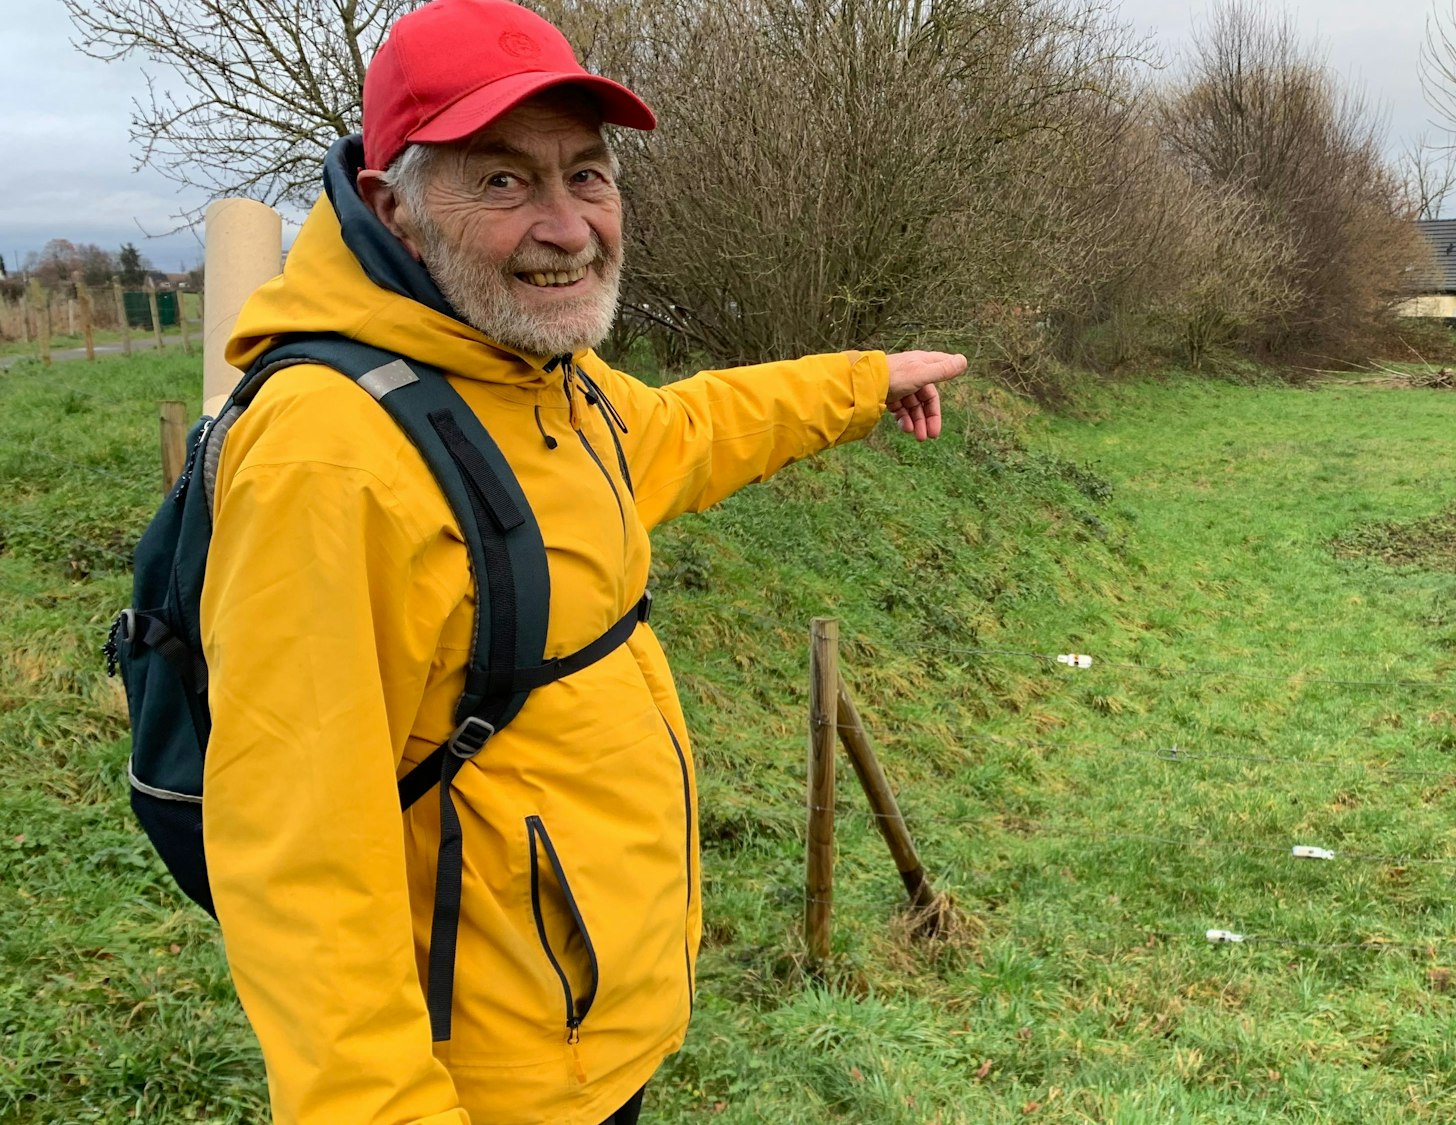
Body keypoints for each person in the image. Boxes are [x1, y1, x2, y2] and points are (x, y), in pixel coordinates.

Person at [200, 0, 965, 1121]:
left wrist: (856, 385)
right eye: (502, 181)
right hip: (493, 1082)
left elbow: (677, 434)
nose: (567, 227)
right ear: (392, 208)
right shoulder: (331, 454)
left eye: (587, 175)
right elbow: (300, 862)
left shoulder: (524, 374)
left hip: (587, 1025)